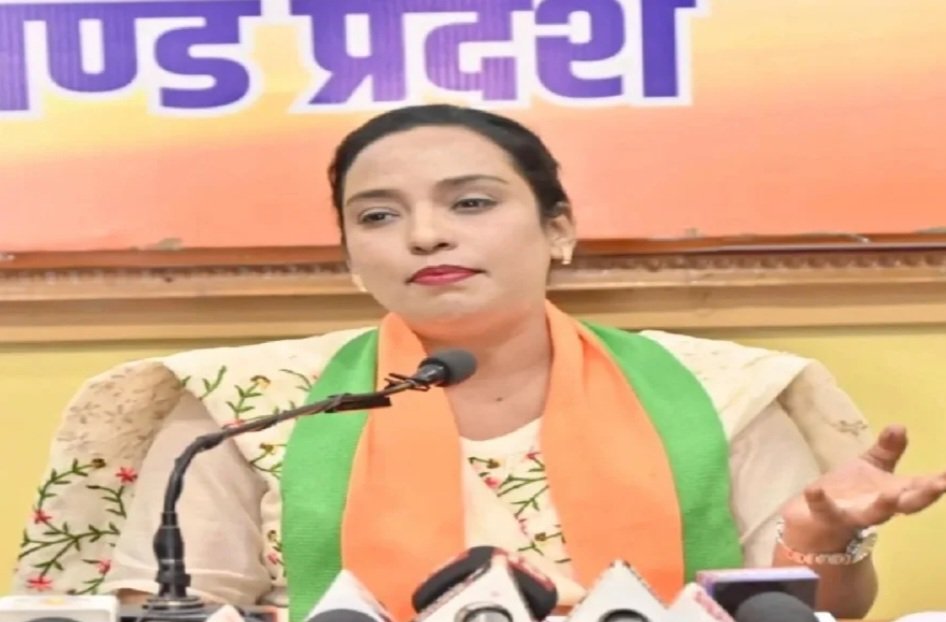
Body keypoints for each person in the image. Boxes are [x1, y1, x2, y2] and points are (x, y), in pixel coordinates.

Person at [13, 105, 946, 622]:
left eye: (469, 203)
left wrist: (820, 544)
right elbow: (167, 609)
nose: (425, 235)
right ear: (350, 257)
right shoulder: (251, 406)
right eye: (379, 216)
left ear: (559, 229)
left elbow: (816, 613)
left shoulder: (720, 390)